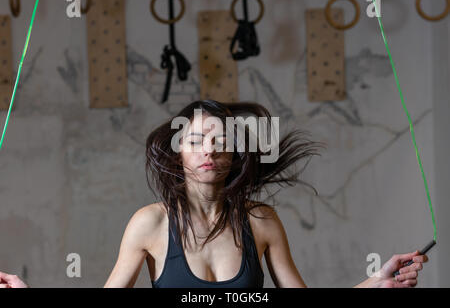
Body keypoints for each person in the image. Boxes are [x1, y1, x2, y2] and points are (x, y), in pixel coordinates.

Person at [0, 100, 428, 288]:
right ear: (177, 152)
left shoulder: (260, 220)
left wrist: (375, 284)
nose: (209, 149)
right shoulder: (149, 224)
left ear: (235, 155)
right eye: (196, 139)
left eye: (221, 140)